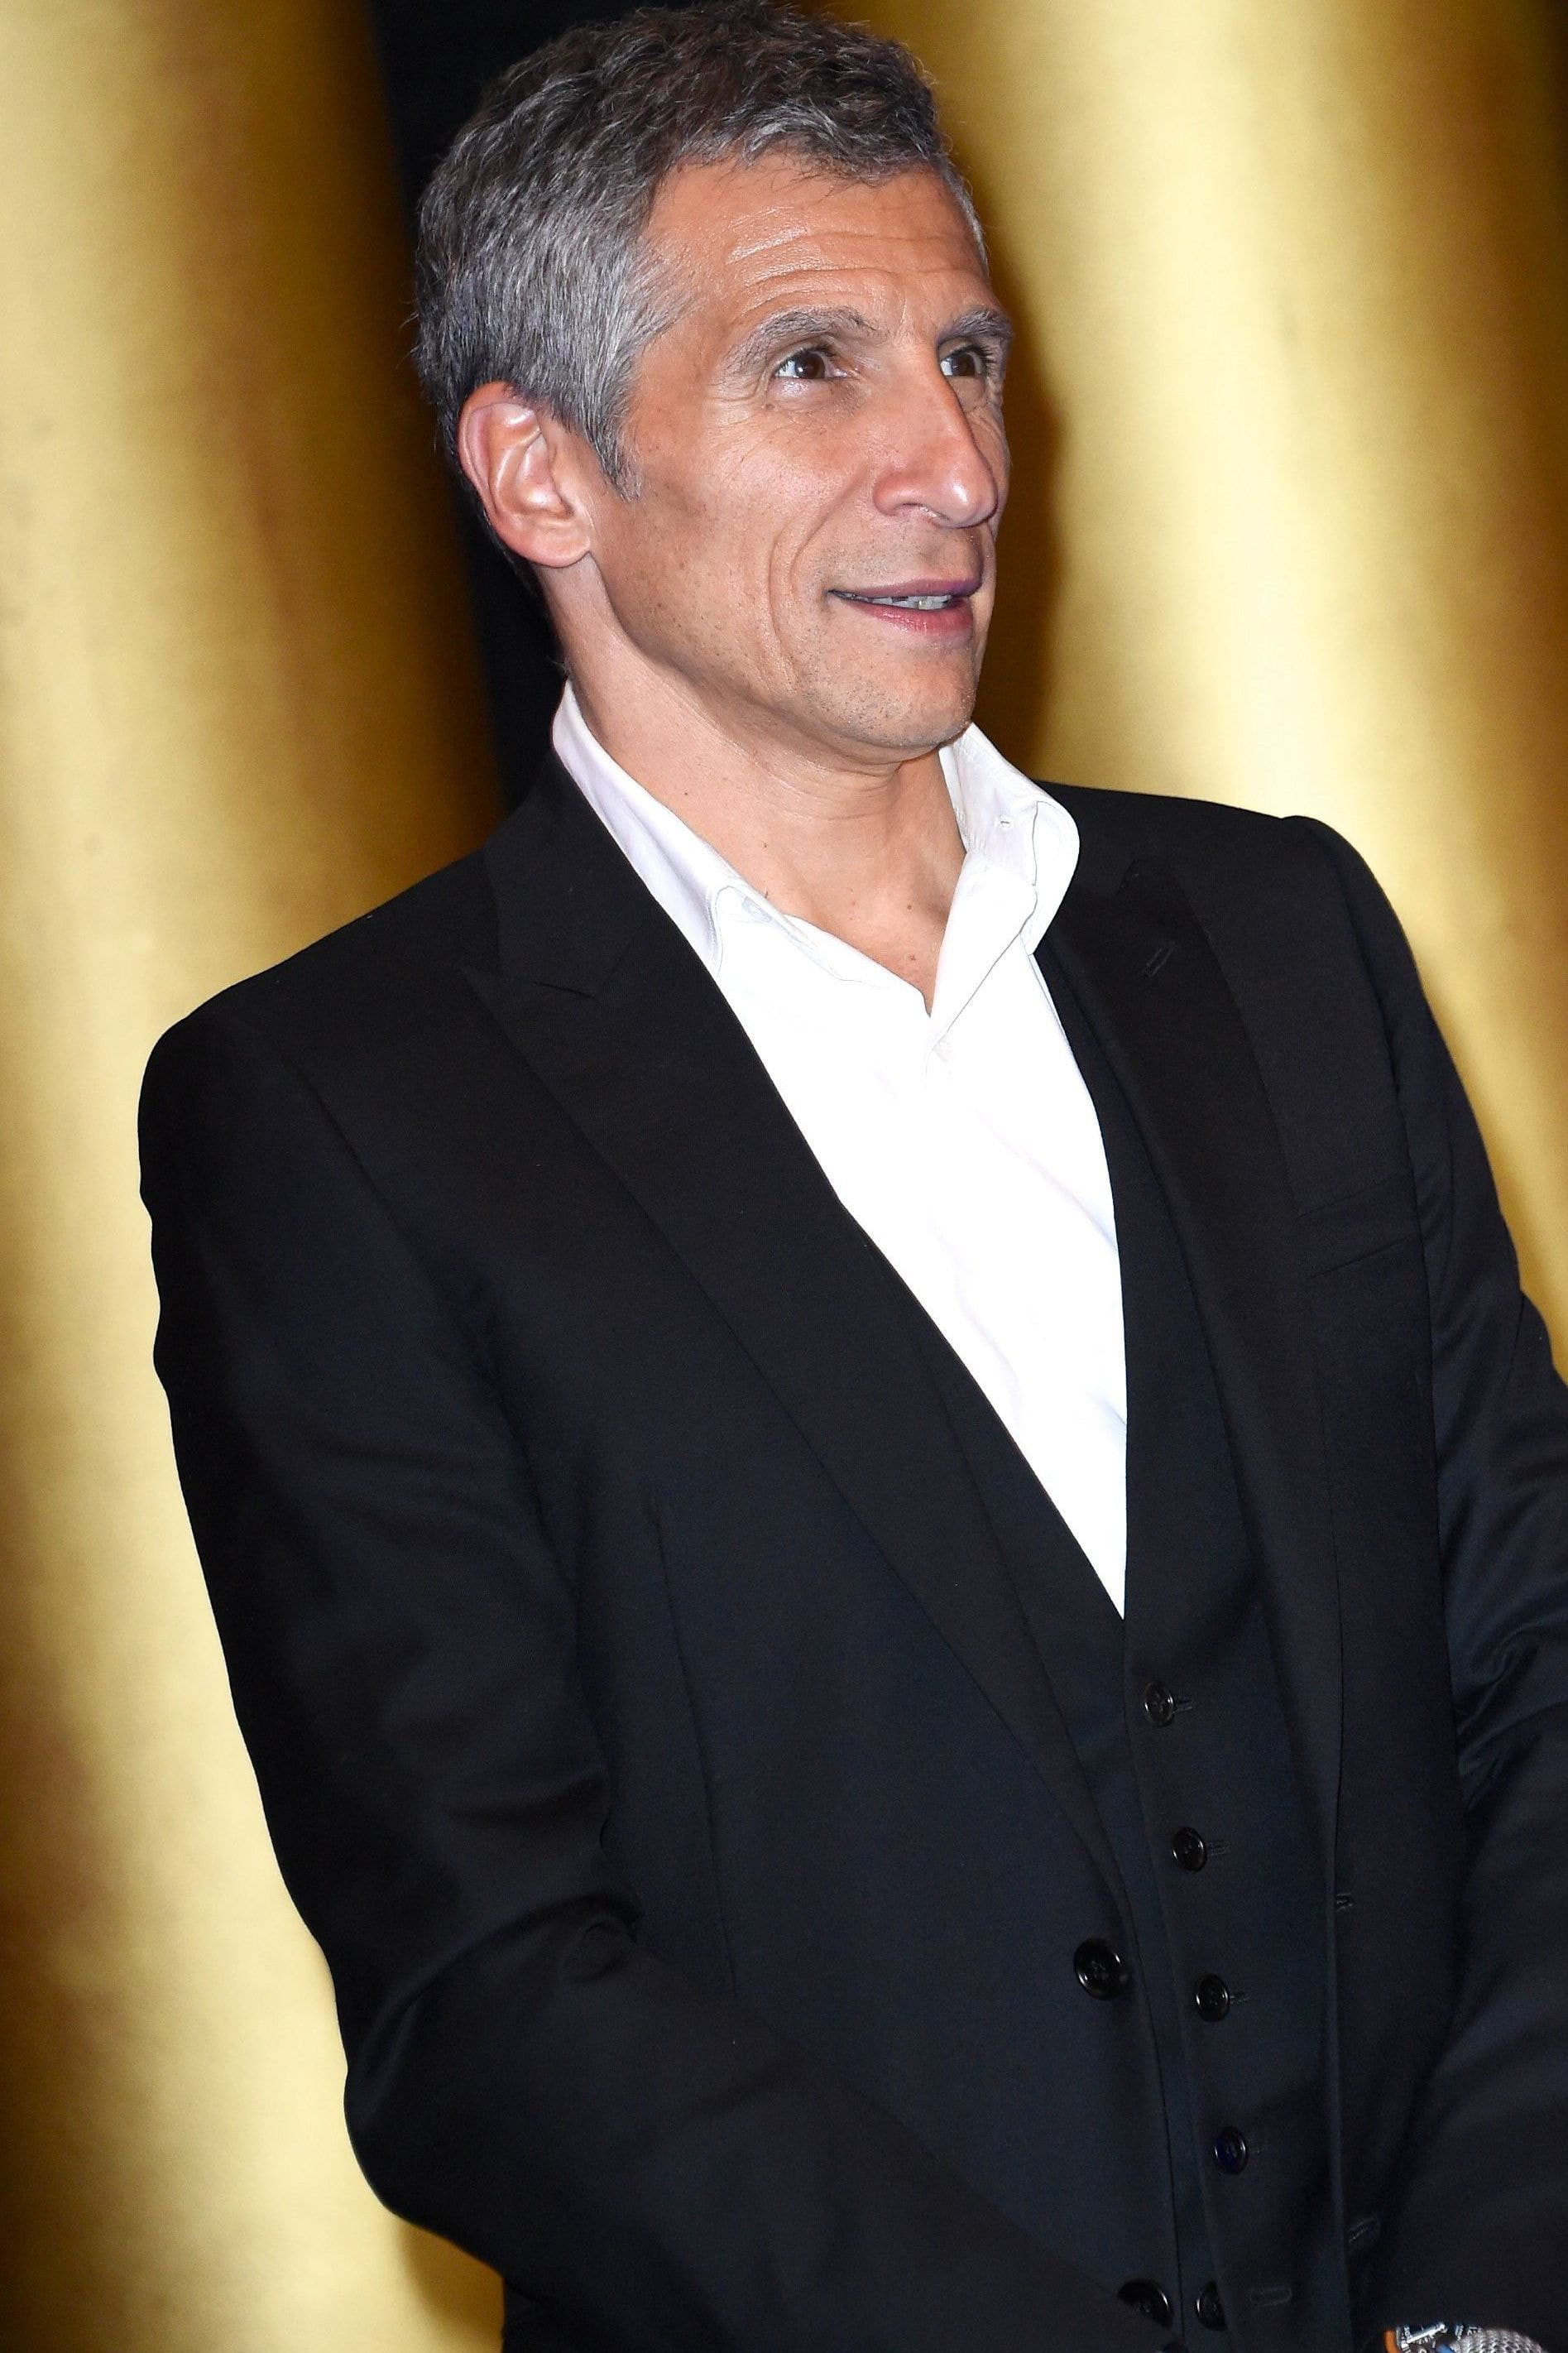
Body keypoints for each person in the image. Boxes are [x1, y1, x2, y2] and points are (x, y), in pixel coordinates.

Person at [139, 7, 1568, 2350]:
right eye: (814, 365)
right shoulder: (338, 1113)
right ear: (540, 472)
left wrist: (1492, 2302)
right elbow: (488, 1984)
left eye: (967, 357)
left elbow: (1539, 1666)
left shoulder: (1284, 936)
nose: (957, 466)